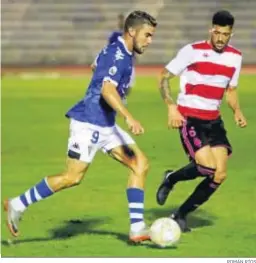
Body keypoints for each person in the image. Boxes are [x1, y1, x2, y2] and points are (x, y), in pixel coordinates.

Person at [4, 10, 157, 243]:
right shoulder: (117, 55)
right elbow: (107, 89)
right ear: (132, 32)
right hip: (88, 123)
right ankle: (17, 204)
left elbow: (95, 66)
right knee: (72, 177)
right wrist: (129, 116)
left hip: (106, 124)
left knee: (140, 164)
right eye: (147, 35)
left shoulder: (119, 51)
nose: (150, 41)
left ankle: (137, 228)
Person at [156, 10, 247, 232]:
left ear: (231, 34)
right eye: (216, 32)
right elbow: (164, 77)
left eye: (225, 34)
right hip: (190, 118)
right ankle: (171, 178)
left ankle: (180, 214)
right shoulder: (192, 51)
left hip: (214, 121)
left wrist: (237, 111)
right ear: (211, 29)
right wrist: (171, 108)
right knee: (206, 167)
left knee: (220, 174)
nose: (220, 38)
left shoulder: (235, 57)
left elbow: (231, 90)